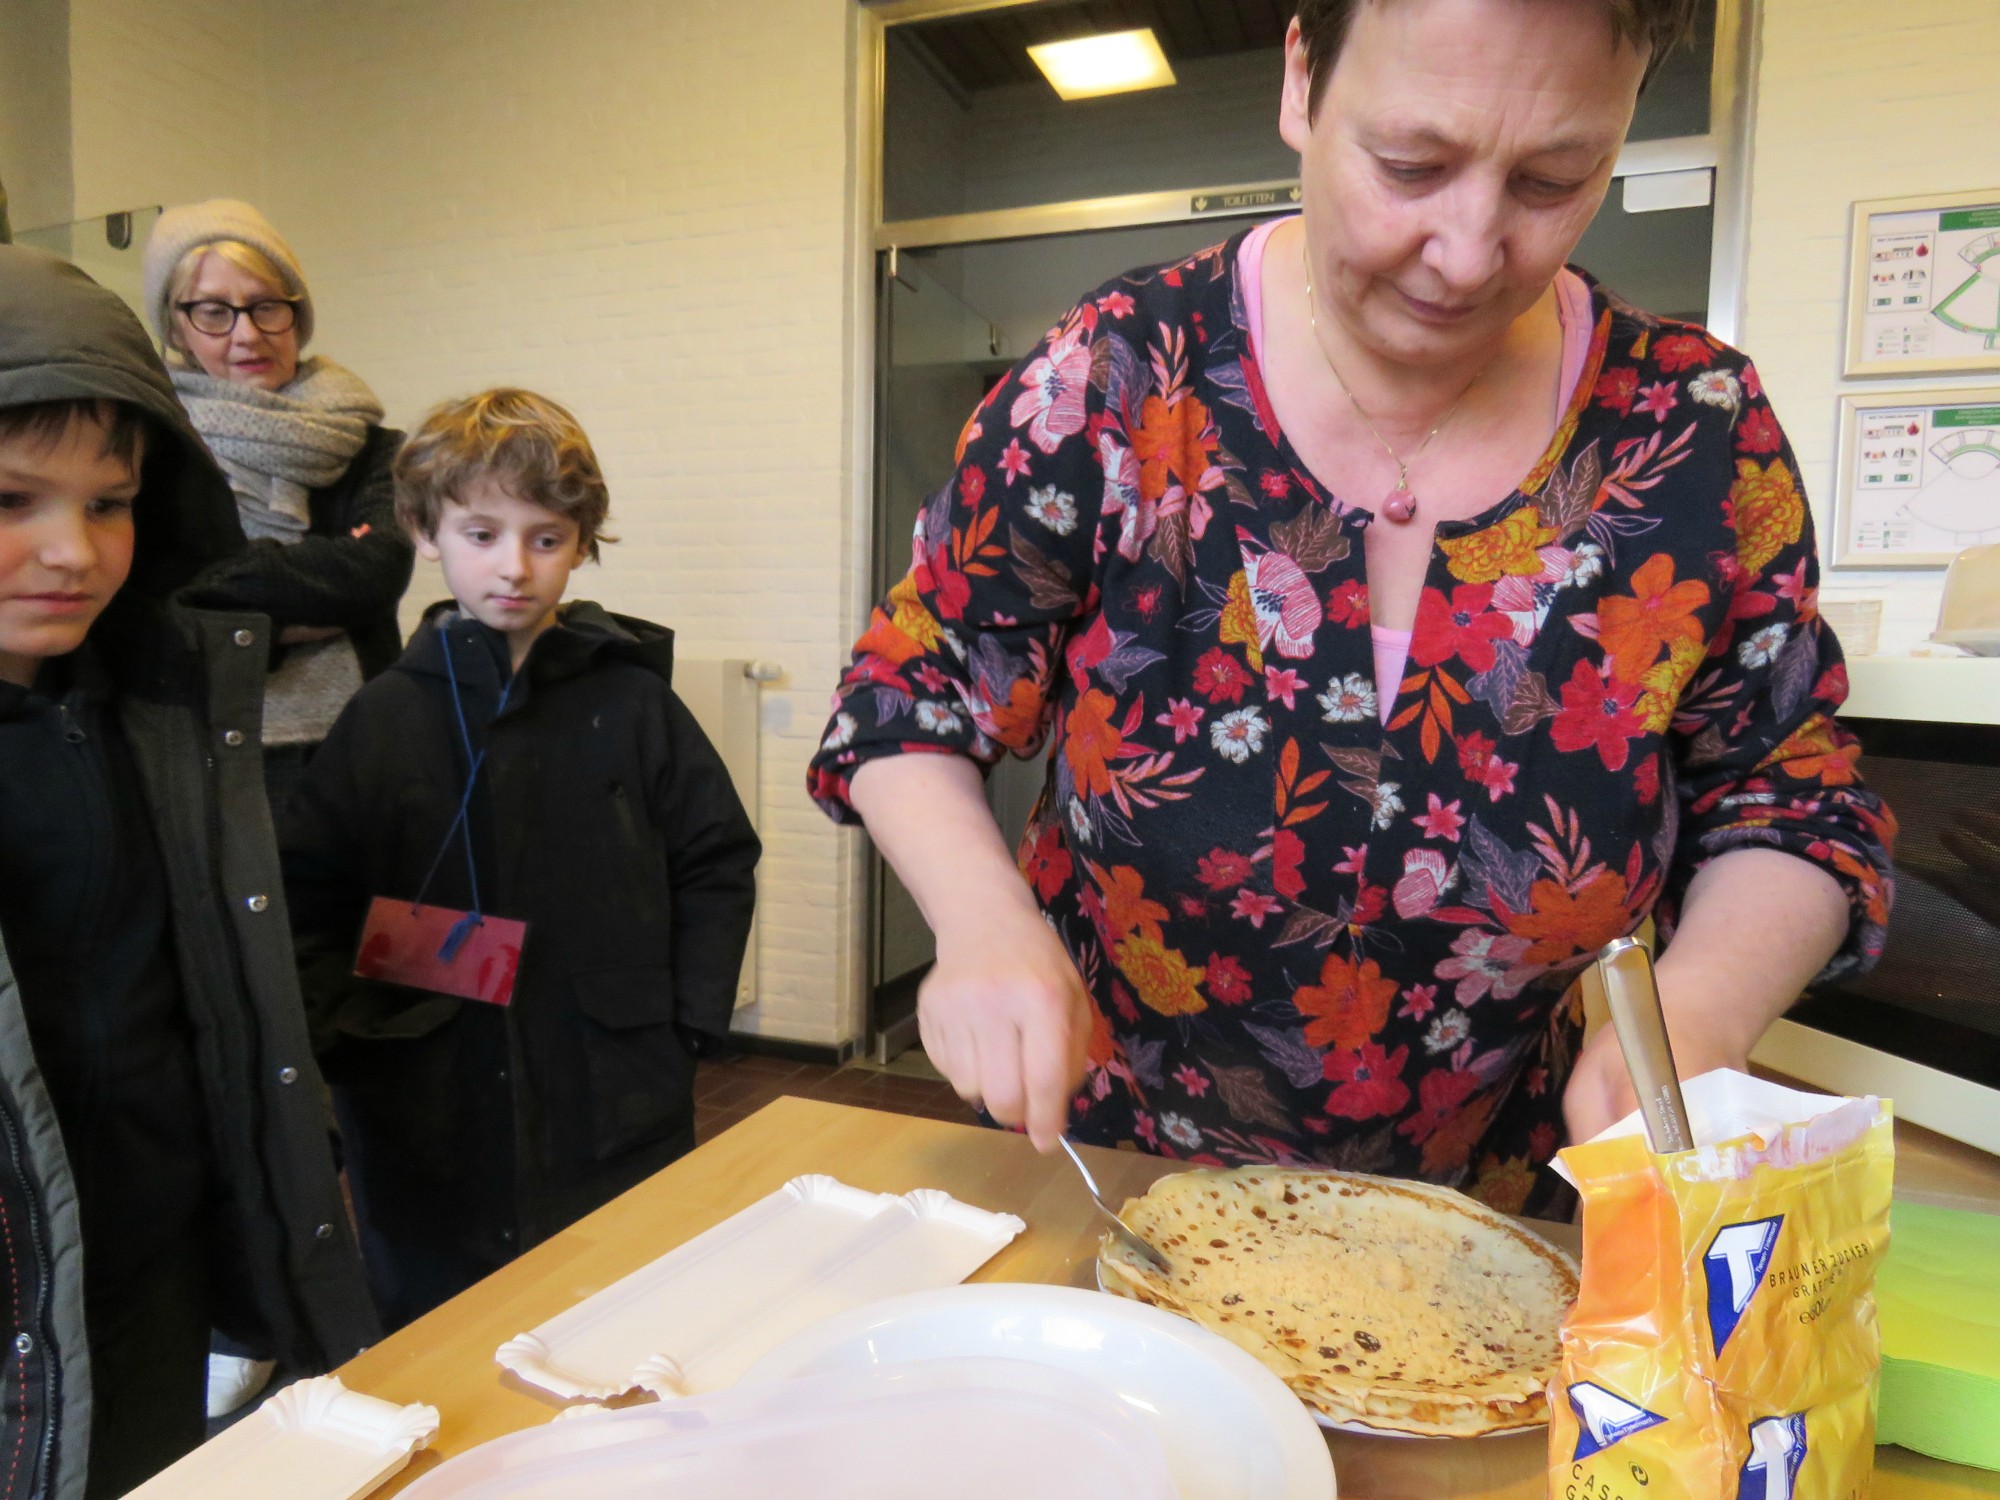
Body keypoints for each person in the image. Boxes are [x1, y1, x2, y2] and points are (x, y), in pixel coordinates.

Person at [809, 0, 1896, 1215]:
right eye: (1410, 166)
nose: (1469, 250)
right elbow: (910, 687)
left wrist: (1695, 1016)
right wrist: (978, 921)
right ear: (1299, 85)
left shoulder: (1690, 427)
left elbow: (1786, 794)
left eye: (1553, 177)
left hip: (1494, 1208)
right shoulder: (1124, 375)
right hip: (1111, 1168)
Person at [0, 245, 378, 1498]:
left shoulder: (154, 711)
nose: (72, 551)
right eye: (12, 502)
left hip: (149, 1260)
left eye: (108, 504)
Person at [281, 388, 761, 1329]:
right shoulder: (383, 718)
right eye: (483, 533)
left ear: (582, 543)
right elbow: (307, 892)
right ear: (426, 532)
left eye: (546, 538)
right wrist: (345, 1036)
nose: (514, 567)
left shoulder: (631, 704)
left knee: (628, 1314)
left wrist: (685, 1027)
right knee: (443, 1336)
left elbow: (716, 855)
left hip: (613, 1087)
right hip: (426, 1099)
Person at [141, 199, 413, 814]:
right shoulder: (152, 446)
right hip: (204, 746)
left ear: (296, 314)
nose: (247, 333)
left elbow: (377, 572)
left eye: (267, 306)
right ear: (176, 326)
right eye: (213, 311)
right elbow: (156, 606)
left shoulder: (370, 444)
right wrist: (312, 578)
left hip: (360, 742)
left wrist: (225, 592)